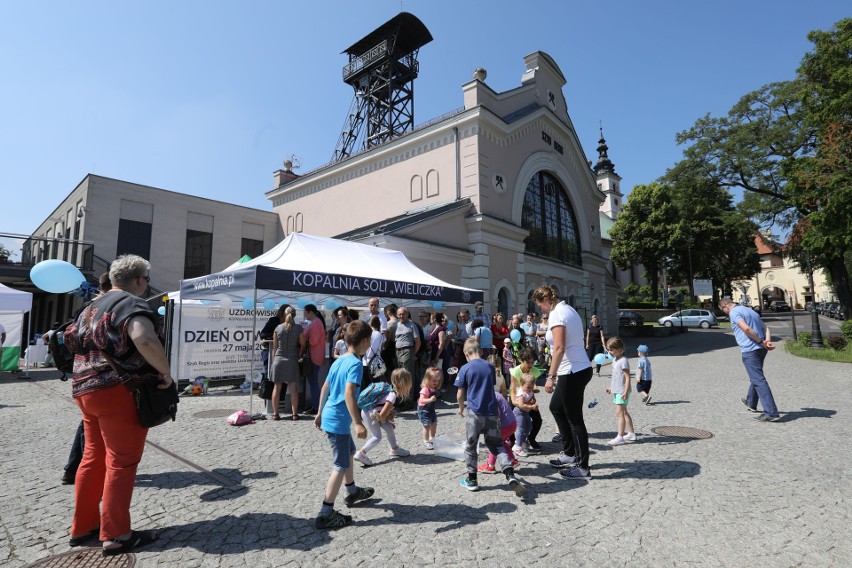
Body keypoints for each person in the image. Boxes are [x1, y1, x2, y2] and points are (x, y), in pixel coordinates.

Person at [63, 254, 172, 554]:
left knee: (92, 457)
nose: (147, 285)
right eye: (146, 280)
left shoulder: (89, 307)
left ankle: (83, 526)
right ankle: (116, 534)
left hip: (84, 389)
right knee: (122, 462)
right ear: (139, 280)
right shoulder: (131, 304)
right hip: (117, 391)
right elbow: (144, 338)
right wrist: (165, 373)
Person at [312, 319, 375, 530]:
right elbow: (349, 393)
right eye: (370, 341)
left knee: (349, 452)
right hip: (339, 421)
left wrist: (319, 412)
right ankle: (325, 513)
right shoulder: (356, 364)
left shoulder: (339, 360)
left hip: (330, 415)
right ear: (365, 340)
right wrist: (358, 423)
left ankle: (352, 491)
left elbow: (325, 387)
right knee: (339, 465)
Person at [534, 285, 594, 480]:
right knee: (556, 408)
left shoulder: (557, 314)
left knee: (575, 419)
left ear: (545, 300)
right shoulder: (568, 309)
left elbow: (559, 347)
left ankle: (583, 466)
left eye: (539, 305)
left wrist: (550, 377)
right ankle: (569, 453)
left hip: (572, 370)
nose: (540, 310)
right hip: (576, 368)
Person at [455, 338, 527, 496]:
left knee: (471, 446)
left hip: (475, 413)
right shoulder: (489, 367)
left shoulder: (465, 368)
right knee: (497, 445)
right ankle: (509, 474)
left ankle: (472, 480)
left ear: (466, 353)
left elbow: (460, 393)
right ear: (480, 352)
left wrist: (461, 407)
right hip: (492, 413)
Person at [62, 272, 112, 485]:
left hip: (82, 374)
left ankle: (74, 468)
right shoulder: (104, 308)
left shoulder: (86, 308)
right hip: (98, 375)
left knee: (88, 423)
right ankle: (81, 468)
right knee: (91, 427)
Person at [719, 298, 780, 422]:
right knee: (756, 376)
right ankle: (751, 402)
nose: (725, 313)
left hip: (750, 349)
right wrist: (766, 341)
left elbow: (746, 329)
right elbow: (765, 327)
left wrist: (760, 341)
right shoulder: (750, 310)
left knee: (758, 379)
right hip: (761, 349)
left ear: (725, 306)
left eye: (723, 310)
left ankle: (770, 412)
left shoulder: (734, 312)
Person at [353, 368, 413, 466]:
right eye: (409, 384)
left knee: (389, 429)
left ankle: (395, 449)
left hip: (370, 411)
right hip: (370, 414)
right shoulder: (392, 396)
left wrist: (387, 422)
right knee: (377, 436)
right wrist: (387, 420)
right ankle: (361, 453)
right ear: (404, 384)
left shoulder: (389, 389)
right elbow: (382, 415)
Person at [478, 376, 518, 474]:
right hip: (512, 423)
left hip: (504, 425)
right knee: (502, 442)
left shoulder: (490, 398)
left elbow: (496, 414)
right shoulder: (496, 394)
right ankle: (513, 460)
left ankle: (490, 466)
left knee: (493, 443)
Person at [270, 306, 304, 421]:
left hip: (278, 359)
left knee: (277, 388)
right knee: (293, 388)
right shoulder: (298, 328)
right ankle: (294, 414)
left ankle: (275, 414)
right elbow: (303, 343)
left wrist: (274, 361)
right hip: (292, 359)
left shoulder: (278, 328)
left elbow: (274, 347)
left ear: (284, 315)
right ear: (294, 315)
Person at [508, 347, 544, 453]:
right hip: (516, 398)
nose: (530, 365)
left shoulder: (535, 371)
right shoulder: (515, 371)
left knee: (538, 420)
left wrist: (533, 399)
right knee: (512, 421)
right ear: (521, 360)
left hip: (528, 398)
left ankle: (530, 439)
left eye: (532, 362)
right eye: (528, 362)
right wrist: (515, 403)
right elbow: (513, 390)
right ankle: (512, 440)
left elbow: (532, 387)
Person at [604, 337, 636, 445]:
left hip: (622, 391)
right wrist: (611, 387)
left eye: (612, 349)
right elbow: (616, 376)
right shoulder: (615, 360)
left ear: (620, 349)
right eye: (609, 349)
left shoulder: (623, 361)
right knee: (624, 412)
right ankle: (631, 434)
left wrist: (626, 391)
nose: (610, 352)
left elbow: (627, 377)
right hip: (617, 390)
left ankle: (620, 437)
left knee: (620, 413)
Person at [301, 304, 325, 415]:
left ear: (311, 312)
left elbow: (313, 341)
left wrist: (305, 338)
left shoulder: (315, 323)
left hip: (314, 356)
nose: (304, 314)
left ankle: (316, 406)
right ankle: (316, 405)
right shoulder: (317, 322)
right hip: (316, 356)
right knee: (313, 382)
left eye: (305, 312)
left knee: (313, 382)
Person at [512, 373, 539, 457]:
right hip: (519, 412)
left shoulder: (530, 391)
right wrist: (532, 407)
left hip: (526, 412)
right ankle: (517, 447)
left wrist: (533, 402)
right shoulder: (521, 394)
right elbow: (521, 405)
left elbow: (533, 398)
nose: (530, 389)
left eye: (531, 387)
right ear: (522, 384)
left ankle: (522, 441)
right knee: (520, 429)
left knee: (529, 427)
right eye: (528, 387)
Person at [393, 307, 420, 381]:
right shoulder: (396, 325)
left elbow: (418, 342)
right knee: (400, 374)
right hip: (397, 352)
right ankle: (402, 392)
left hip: (407, 351)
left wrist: (413, 353)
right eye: (399, 314)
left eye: (403, 314)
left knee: (407, 374)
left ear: (407, 314)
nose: (401, 316)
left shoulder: (412, 325)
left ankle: (409, 392)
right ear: (397, 315)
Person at [418, 367, 442, 449]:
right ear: (427, 379)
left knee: (434, 424)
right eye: (434, 381)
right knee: (426, 426)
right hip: (424, 410)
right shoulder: (425, 389)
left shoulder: (433, 388)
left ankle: (432, 438)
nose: (436, 382)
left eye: (437, 380)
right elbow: (422, 400)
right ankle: (426, 441)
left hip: (431, 410)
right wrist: (430, 399)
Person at [361, 316, 385, 386]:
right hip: (377, 363)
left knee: (366, 386)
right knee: (376, 385)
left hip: (365, 362)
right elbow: (382, 348)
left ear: (369, 323)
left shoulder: (366, 334)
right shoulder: (381, 335)